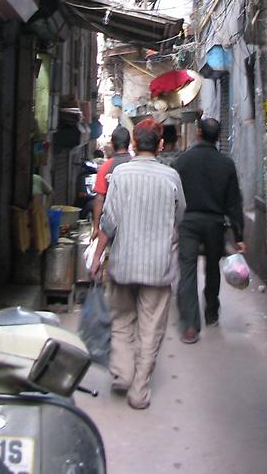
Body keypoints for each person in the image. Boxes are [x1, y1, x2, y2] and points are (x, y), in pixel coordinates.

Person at [89, 118, 185, 410]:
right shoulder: (171, 178)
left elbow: (108, 221)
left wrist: (96, 257)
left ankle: (121, 373)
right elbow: (179, 216)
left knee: (121, 320)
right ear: (160, 145)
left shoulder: (120, 176)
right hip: (158, 267)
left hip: (123, 263)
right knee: (150, 328)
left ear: (132, 144)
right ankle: (139, 390)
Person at [173, 117, 246, 343]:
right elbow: (234, 202)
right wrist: (239, 235)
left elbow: (173, 196)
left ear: (198, 133)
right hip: (215, 223)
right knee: (213, 266)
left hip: (189, 222)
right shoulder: (226, 164)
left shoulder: (182, 161)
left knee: (187, 270)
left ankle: (190, 326)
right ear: (218, 137)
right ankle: (211, 311)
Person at [91, 126, 132, 238]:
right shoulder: (136, 165)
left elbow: (99, 199)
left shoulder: (105, 168)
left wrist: (95, 227)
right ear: (129, 143)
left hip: (111, 227)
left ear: (112, 144)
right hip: (133, 224)